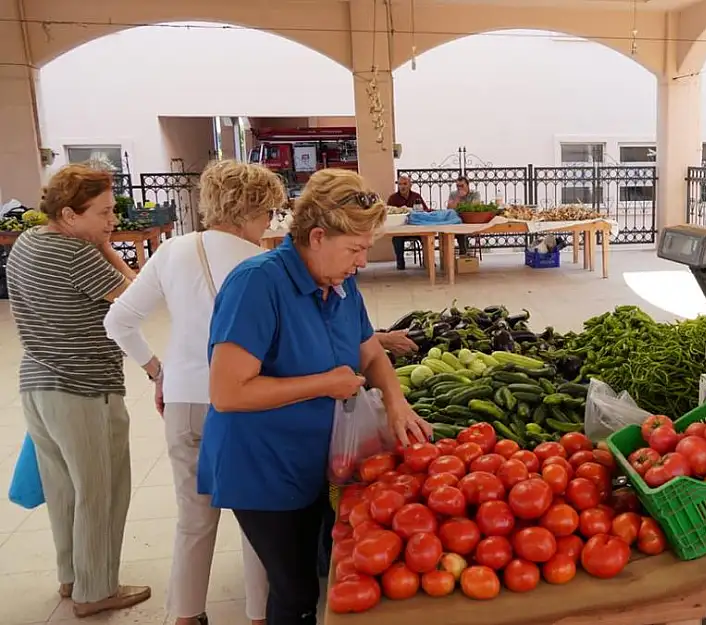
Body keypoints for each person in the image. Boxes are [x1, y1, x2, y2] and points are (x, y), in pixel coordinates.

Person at [197, 168, 432, 625]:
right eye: (356, 249)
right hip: (263, 467)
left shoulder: (340, 283)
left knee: (326, 570)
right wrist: (324, 384)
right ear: (318, 236)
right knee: (294, 588)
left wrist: (397, 400)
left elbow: (370, 352)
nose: (362, 262)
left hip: (318, 461)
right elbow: (227, 392)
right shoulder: (258, 283)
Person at [103, 160, 286, 625]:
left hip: (184, 399)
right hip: (247, 402)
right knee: (256, 518)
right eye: (268, 214)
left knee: (193, 517)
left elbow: (118, 321)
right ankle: (259, 614)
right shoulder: (264, 264)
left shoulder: (172, 251)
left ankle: (186, 616)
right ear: (252, 210)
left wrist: (157, 371)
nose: (269, 225)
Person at [5, 164, 151, 618]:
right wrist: (108, 249)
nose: (111, 220)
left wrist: (100, 239)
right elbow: (138, 298)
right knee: (100, 491)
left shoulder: (27, 244)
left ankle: (72, 576)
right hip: (83, 388)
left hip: (38, 384)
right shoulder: (75, 253)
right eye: (103, 212)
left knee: (65, 489)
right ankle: (96, 590)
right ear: (69, 215)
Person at [387, 174, 427, 270]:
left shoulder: (416, 196)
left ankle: (427, 261)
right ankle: (400, 262)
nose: (402, 186)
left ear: (410, 185)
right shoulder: (393, 198)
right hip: (400, 228)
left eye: (405, 184)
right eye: (400, 184)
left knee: (427, 236)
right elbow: (387, 212)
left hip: (416, 227)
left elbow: (425, 210)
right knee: (396, 239)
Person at [446, 175, 481, 254]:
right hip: (456, 221)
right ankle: (462, 251)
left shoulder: (475, 194)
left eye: (462, 186)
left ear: (467, 185)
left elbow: (474, 208)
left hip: (470, 220)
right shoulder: (453, 194)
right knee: (458, 229)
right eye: (457, 186)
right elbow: (449, 208)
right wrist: (458, 198)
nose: (459, 188)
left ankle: (464, 251)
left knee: (461, 230)